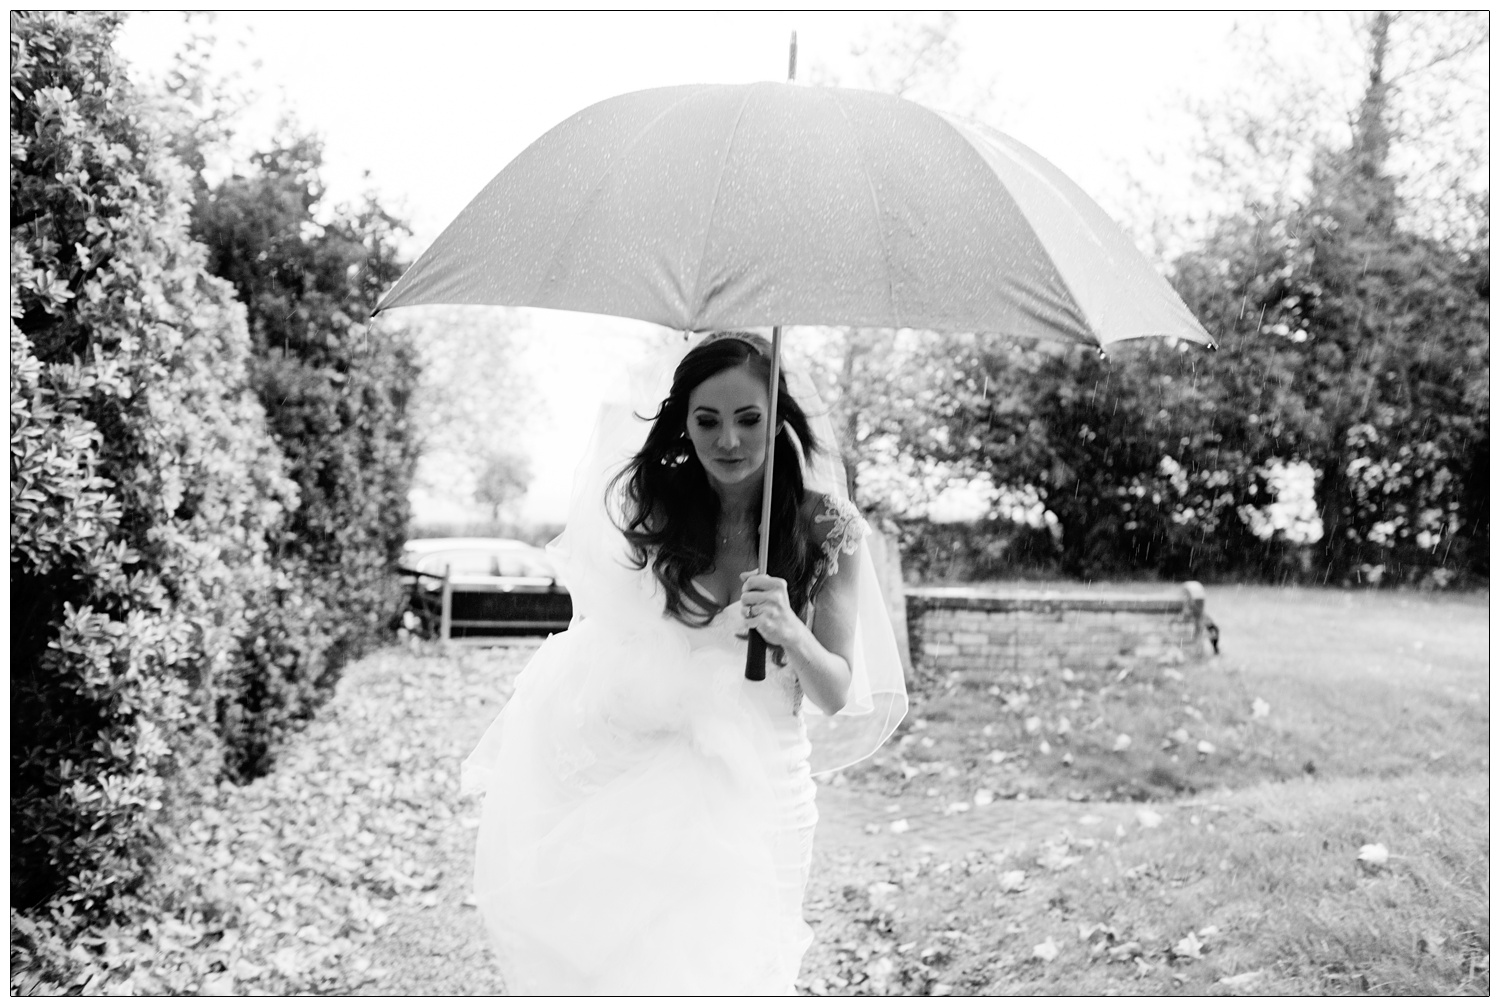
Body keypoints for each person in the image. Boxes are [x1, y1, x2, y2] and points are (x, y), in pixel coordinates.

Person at [461, 331, 906, 995]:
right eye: (707, 420)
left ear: (777, 417)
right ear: (685, 422)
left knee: (748, 974)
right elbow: (611, 643)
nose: (729, 441)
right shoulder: (658, 509)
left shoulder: (825, 525)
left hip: (771, 790)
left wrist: (789, 628)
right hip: (655, 792)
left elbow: (836, 690)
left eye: (749, 419)